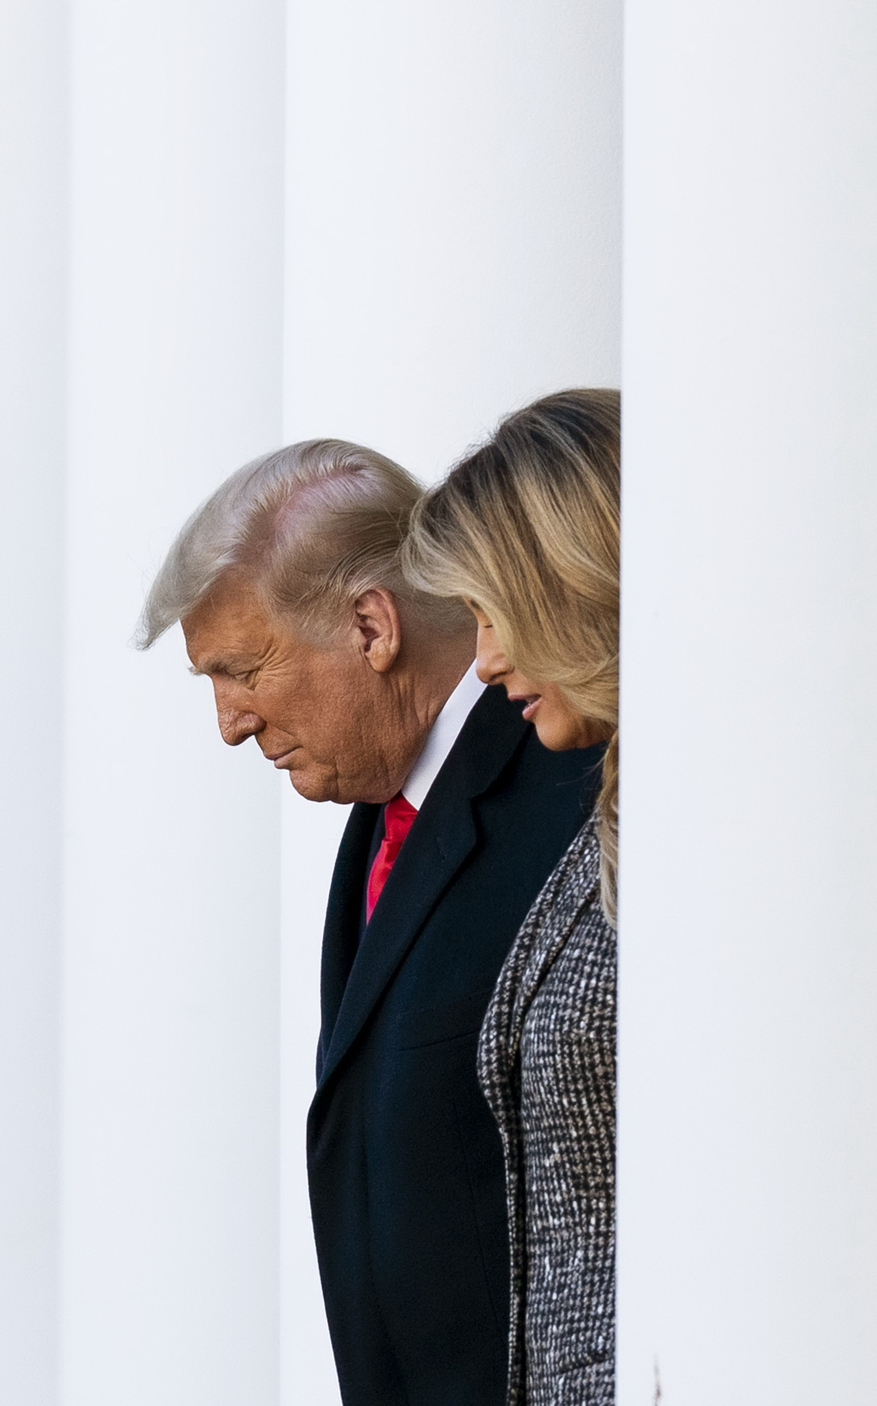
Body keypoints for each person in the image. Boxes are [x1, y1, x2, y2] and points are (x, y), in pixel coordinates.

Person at [136, 439, 602, 1404]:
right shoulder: (380, 813)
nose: (230, 721)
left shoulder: (575, 778)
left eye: (243, 668)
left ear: (370, 625)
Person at [402, 388, 620, 1406]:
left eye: (494, 611)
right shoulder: (613, 822)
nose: (484, 660)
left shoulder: (723, 829)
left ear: (565, 580)